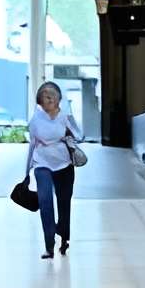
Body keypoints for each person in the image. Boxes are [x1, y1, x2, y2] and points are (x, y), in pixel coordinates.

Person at [26, 80, 85, 259]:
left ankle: (64, 237)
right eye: (45, 95)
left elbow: (80, 135)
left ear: (59, 99)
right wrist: (26, 171)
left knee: (64, 202)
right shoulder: (36, 120)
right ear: (40, 100)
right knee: (45, 201)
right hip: (42, 164)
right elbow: (32, 145)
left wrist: (69, 132)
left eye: (53, 95)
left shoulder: (65, 117)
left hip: (64, 164)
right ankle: (49, 245)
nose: (50, 98)